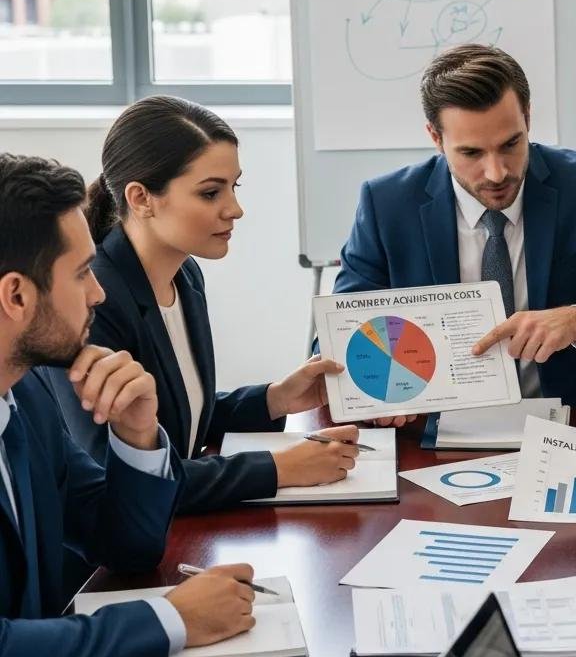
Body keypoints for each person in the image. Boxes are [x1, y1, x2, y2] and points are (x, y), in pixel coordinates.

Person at [0, 154, 256, 657]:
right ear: (16, 296)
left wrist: (138, 434)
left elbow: (126, 545)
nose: (98, 293)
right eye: (81, 273)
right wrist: (172, 619)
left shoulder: (26, 395)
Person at [45, 96, 360, 514]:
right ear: (141, 198)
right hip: (104, 565)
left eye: (234, 187)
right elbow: (124, 475)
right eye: (211, 192)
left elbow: (176, 421)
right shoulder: (95, 303)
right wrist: (276, 469)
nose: (235, 209)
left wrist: (276, 398)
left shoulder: (185, 275)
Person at [330, 44, 576, 409]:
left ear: (527, 117)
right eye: (471, 153)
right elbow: (337, 340)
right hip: (432, 430)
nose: (497, 173)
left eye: (511, 144)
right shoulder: (387, 205)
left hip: (575, 420)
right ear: (436, 138)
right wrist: (373, 395)